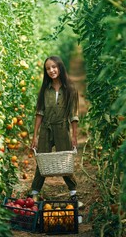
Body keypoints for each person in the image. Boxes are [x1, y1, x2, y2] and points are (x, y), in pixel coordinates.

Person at [30, 56, 79, 202]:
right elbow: (39, 113)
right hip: (46, 128)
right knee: (42, 159)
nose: (51, 70)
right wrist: (35, 136)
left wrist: (74, 135)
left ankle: (73, 192)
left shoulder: (70, 89)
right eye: (48, 68)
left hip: (62, 128)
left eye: (53, 67)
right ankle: (34, 192)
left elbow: (73, 115)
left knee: (65, 160)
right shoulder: (45, 89)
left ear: (60, 67)